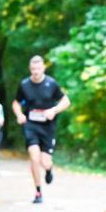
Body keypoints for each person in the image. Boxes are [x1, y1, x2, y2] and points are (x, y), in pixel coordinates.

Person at [11, 56, 70, 204]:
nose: (35, 72)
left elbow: (66, 101)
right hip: (31, 125)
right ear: (30, 69)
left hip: (48, 127)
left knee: (45, 161)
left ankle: (49, 170)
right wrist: (19, 115)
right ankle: (38, 191)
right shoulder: (24, 85)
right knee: (34, 157)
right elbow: (16, 103)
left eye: (38, 69)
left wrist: (54, 110)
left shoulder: (51, 84)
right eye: (33, 69)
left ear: (43, 68)